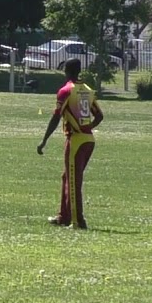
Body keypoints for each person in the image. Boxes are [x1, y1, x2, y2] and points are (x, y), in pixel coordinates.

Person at [36, 58, 104, 230]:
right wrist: (87, 128)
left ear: (66, 70)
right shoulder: (87, 89)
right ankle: (63, 216)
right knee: (67, 176)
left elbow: (56, 116)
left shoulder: (66, 91)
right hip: (88, 140)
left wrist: (44, 140)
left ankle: (77, 221)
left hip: (76, 140)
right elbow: (99, 116)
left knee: (73, 181)